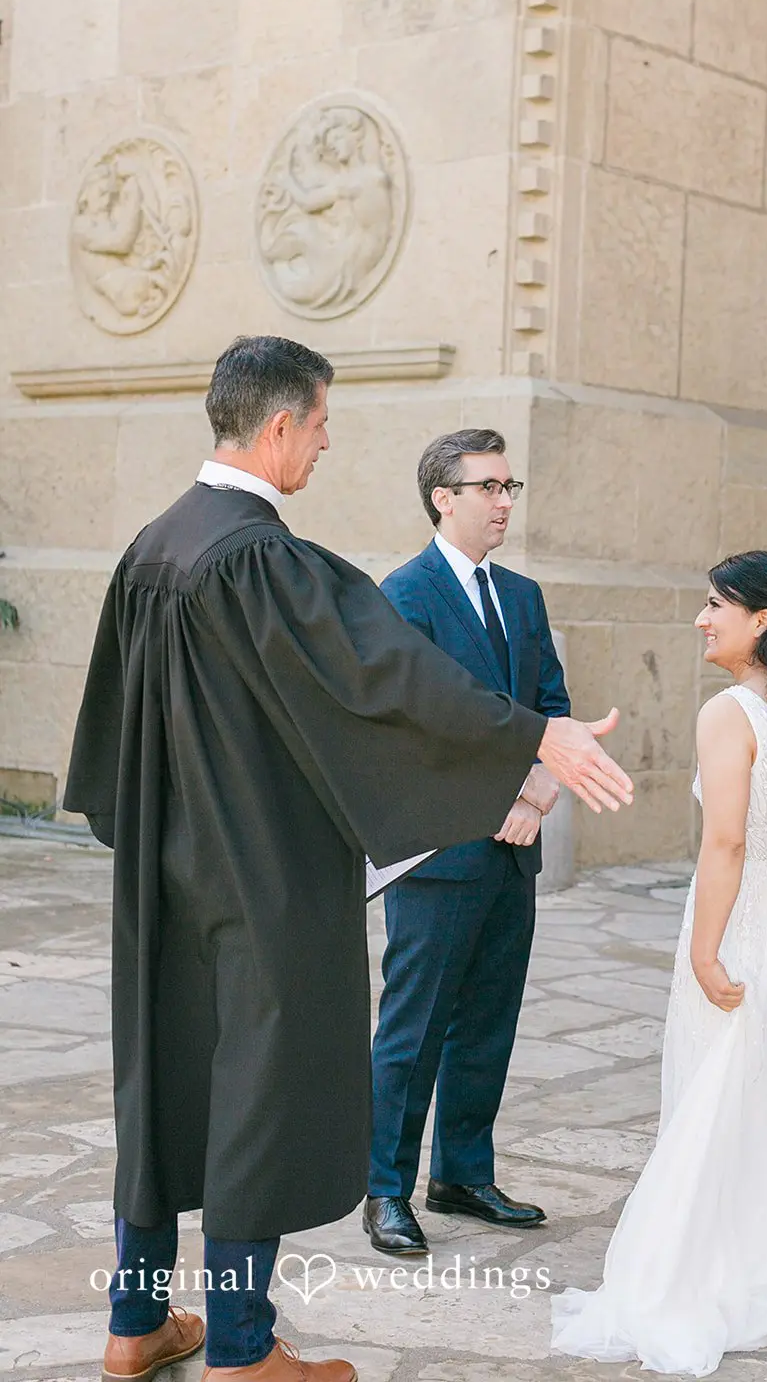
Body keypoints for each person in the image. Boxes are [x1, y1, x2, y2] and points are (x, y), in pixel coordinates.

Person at [63, 335, 633, 1382]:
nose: (326, 443)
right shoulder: (256, 554)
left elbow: (116, 731)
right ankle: (240, 1349)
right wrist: (527, 735)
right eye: (321, 424)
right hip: (259, 874)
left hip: (163, 867)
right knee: (256, 1096)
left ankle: (136, 1321)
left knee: (164, 1081)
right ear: (278, 425)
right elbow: (381, 679)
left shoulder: (154, 544)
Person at [551, 550, 767, 1377]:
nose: (702, 619)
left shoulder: (728, 711)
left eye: (714, 605)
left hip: (746, 922)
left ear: (760, 620)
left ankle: (698, 1275)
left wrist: (704, 948)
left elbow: (726, 841)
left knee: (715, 1092)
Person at [364, 430, 569, 1255]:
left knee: (488, 1018)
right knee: (413, 1030)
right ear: (442, 498)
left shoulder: (522, 596)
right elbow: (415, 725)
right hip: (441, 851)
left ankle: (461, 1175)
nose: (504, 502)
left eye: (509, 484)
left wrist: (540, 792)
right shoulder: (402, 595)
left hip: (513, 847)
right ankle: (384, 1191)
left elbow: (551, 705)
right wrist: (505, 791)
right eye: (487, 487)